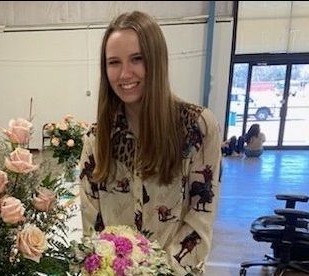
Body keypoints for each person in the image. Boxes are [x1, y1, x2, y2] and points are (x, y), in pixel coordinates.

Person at [78, 11, 221, 275]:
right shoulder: (96, 140)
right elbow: (92, 223)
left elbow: (201, 216)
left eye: (137, 59)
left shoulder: (197, 127)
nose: (124, 74)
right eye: (113, 62)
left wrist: (158, 271)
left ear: (156, 60)